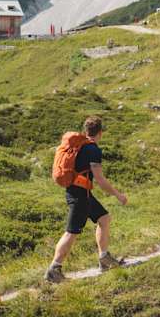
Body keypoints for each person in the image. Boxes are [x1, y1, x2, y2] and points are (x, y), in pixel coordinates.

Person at [45, 116, 128, 283]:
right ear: (101, 133)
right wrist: (119, 195)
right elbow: (100, 180)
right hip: (80, 196)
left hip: (81, 193)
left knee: (104, 218)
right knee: (71, 232)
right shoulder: (92, 150)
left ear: (86, 130)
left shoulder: (80, 146)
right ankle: (54, 269)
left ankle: (104, 259)